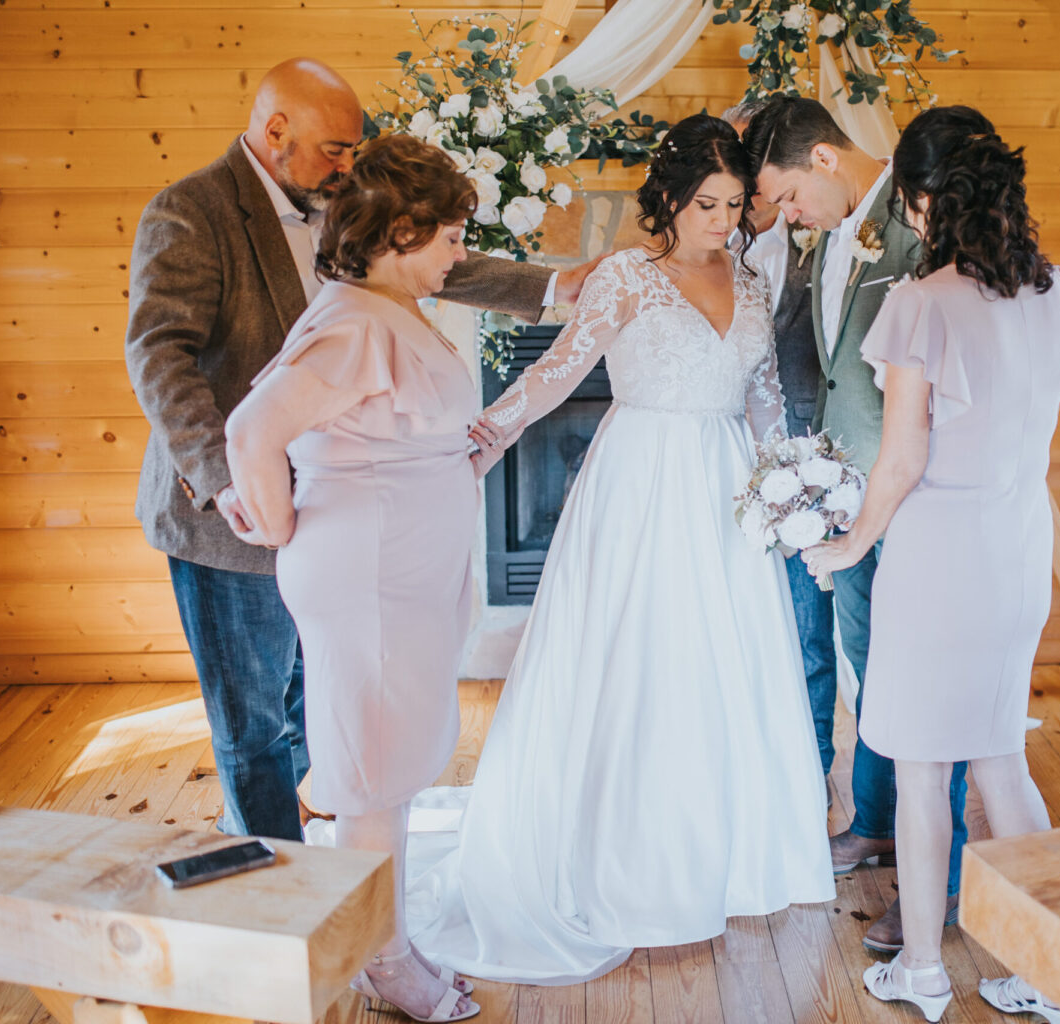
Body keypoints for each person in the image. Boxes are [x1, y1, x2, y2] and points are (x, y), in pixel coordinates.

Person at [403, 114, 835, 985]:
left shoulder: (750, 280)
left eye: (731, 203)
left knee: (725, 667)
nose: (723, 220)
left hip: (729, 486)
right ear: (670, 201)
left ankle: (729, 856)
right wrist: (488, 432)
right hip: (641, 483)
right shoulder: (628, 279)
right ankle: (629, 862)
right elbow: (558, 368)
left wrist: (793, 476)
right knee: (642, 662)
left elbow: (760, 395)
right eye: (706, 204)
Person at [125, 57, 592, 842]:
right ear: (276, 131)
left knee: (334, 711)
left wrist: (555, 287)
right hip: (230, 510)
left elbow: (435, 262)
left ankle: (341, 864)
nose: (349, 166)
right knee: (255, 722)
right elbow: (159, 356)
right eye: (336, 149)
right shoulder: (192, 212)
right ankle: (278, 889)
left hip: (336, 504)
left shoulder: (339, 201)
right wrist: (227, 481)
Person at [805, 106, 1060, 1023]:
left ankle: (926, 973)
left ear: (925, 200)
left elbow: (899, 464)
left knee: (927, 771)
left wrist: (849, 544)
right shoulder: (1058, 291)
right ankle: (1050, 977)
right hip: (1017, 558)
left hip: (937, 565)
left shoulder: (921, 303)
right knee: (1002, 763)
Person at [225, 134, 493, 1023]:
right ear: (402, 232)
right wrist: (274, 522)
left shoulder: (380, 308)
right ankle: (382, 962)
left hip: (399, 576)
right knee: (375, 775)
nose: (461, 254)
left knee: (394, 764)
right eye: (451, 236)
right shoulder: (352, 323)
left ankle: (393, 935)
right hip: (369, 580)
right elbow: (253, 431)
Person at [743, 94, 968, 949]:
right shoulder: (830, 235)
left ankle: (937, 886)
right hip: (845, 497)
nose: (787, 215)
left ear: (827, 161)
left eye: (790, 196)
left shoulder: (920, 227)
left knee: (914, 689)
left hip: (906, 497)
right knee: (867, 663)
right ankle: (875, 821)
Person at [723, 98, 840, 803]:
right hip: (722, 464)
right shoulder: (724, 253)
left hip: (803, 472)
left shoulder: (816, 237)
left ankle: (808, 784)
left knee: (807, 637)